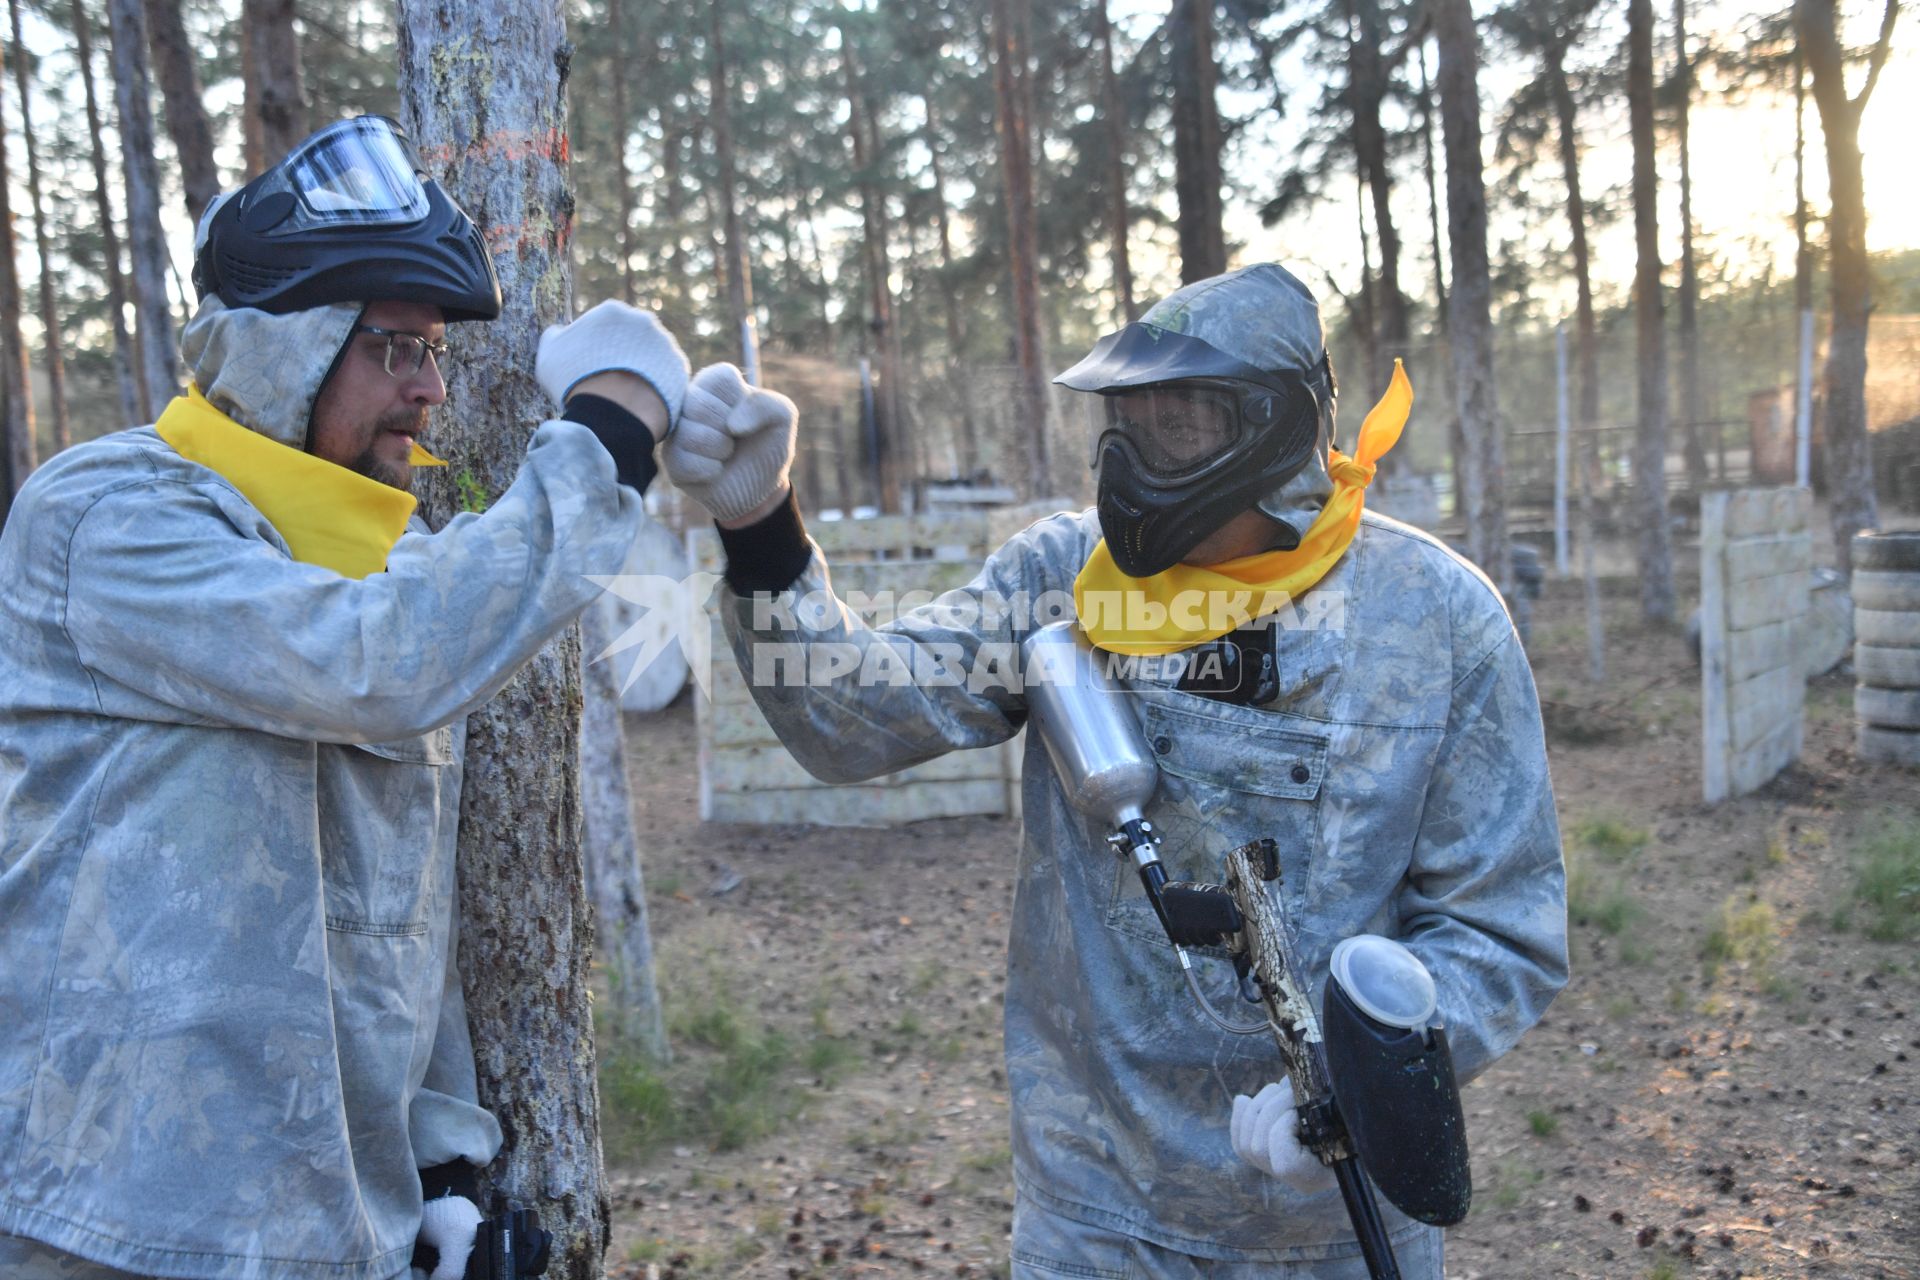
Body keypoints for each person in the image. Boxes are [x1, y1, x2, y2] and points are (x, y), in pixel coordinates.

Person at [662, 263, 1568, 1277]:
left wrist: (1366, 1083)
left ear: (1270, 428)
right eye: (1124, 417)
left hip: (1328, 1219)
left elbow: (1504, 928)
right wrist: (759, 527)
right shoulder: (1060, 579)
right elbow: (854, 717)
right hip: (1098, 1211)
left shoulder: (1435, 619)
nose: (1132, 455)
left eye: (1176, 422)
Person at [0, 115, 689, 1280]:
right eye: (394, 348)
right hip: (109, 1217)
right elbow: (373, 663)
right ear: (280, 347)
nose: (427, 391)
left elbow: (396, 914)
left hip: (328, 1231)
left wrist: (439, 1169)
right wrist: (609, 437)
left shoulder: (380, 569)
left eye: (433, 353)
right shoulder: (107, 518)